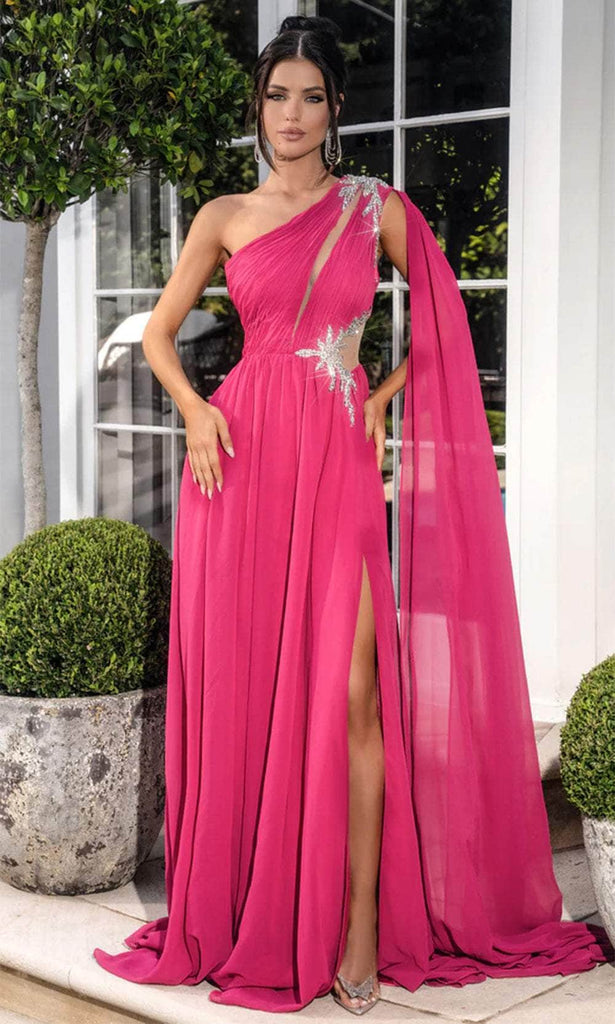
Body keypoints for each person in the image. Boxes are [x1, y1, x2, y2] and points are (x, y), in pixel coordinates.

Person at [92, 13, 614, 1017]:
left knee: (353, 694)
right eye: (276, 96)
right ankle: (255, 903)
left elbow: (449, 312)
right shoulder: (224, 215)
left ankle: (361, 920)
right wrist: (195, 408)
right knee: (250, 689)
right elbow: (158, 336)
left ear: (335, 110)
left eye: (311, 97)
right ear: (259, 108)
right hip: (237, 467)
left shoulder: (373, 207)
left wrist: (382, 392)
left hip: (331, 466)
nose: (292, 114)